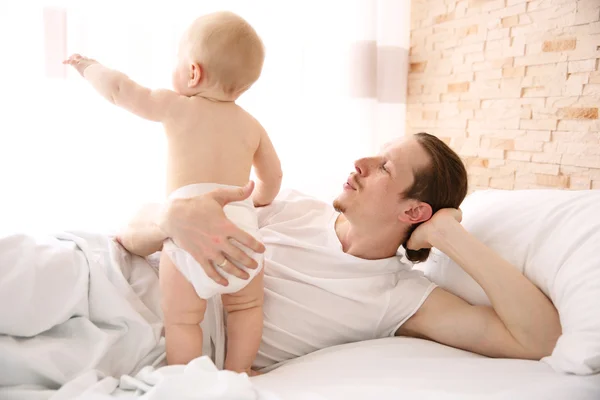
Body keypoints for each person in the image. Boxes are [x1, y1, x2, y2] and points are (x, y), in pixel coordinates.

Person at [0, 134, 561, 393]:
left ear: (413, 209)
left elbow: (537, 338)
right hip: (105, 271)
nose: (361, 161)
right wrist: (172, 218)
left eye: (385, 166)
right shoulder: (287, 204)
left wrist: (450, 237)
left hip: (147, 346)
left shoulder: (399, 298)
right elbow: (128, 235)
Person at [63, 11, 282, 374]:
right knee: (245, 309)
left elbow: (121, 91)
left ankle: (188, 378)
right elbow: (272, 177)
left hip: (187, 235)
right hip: (241, 231)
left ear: (193, 72)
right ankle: (240, 372)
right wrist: (256, 201)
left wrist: (89, 66)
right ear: (242, 87)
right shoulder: (251, 125)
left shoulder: (177, 106)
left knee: (183, 320)